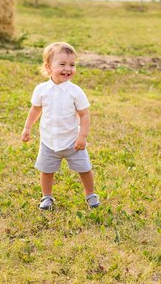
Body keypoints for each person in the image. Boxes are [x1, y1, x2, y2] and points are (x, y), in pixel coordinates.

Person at [21, 42, 100, 210]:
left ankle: (90, 194)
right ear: (49, 67)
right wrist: (27, 128)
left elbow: (84, 114)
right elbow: (36, 109)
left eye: (72, 65)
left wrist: (82, 136)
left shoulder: (75, 91)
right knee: (47, 170)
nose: (68, 69)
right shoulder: (42, 89)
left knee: (84, 169)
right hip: (49, 141)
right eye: (62, 64)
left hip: (73, 142)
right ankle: (47, 197)